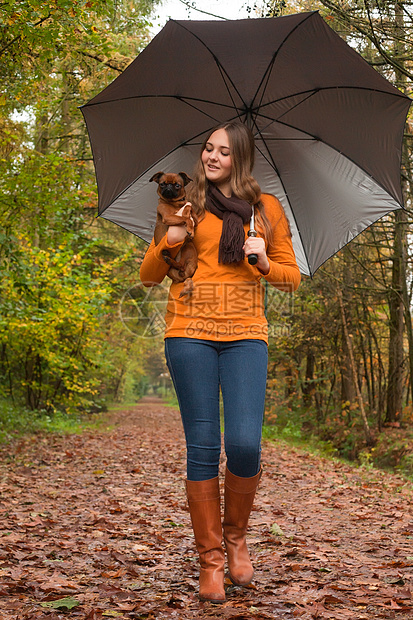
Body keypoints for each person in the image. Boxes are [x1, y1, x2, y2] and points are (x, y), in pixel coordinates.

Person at [140, 121, 301, 603]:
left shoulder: (265, 210)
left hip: (246, 336)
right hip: (188, 333)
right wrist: (170, 238)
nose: (211, 157)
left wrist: (265, 261)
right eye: (208, 148)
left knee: (246, 444)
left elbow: (291, 279)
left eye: (223, 151)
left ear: (241, 159)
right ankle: (211, 561)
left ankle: (236, 538)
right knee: (204, 446)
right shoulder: (183, 204)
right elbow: (149, 276)